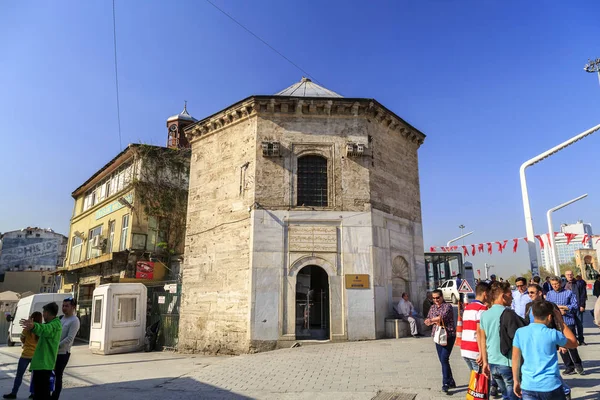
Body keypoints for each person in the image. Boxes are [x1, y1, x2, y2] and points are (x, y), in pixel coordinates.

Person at [512, 300, 577, 400]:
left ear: (532, 314)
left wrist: (516, 380)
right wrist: (561, 321)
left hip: (528, 385)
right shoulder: (552, 333)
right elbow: (573, 343)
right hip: (550, 385)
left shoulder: (520, 332)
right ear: (550, 317)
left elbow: (515, 359)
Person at [524, 284, 571, 399]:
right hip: (533, 341)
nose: (530, 295)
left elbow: (557, 322)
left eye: (532, 292)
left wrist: (561, 343)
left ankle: (564, 390)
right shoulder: (529, 306)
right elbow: (526, 322)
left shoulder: (550, 305)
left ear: (540, 293)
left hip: (548, 339)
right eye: (528, 292)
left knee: (549, 367)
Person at [480, 281, 518, 400]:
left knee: (505, 395)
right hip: (507, 362)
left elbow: (482, 339)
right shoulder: (508, 314)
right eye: (510, 294)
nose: (512, 297)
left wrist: (485, 362)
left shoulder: (484, 315)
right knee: (514, 396)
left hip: (493, 363)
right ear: (503, 296)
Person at [20, 302, 62, 400]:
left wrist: (34, 326)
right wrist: (34, 327)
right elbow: (43, 328)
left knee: (42, 394)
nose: (43, 315)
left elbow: (45, 329)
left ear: (47, 313)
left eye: (44, 312)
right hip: (42, 364)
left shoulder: (54, 325)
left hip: (44, 365)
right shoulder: (51, 324)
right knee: (39, 394)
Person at [546, 277, 584, 375]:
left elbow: (575, 305)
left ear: (561, 283)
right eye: (553, 284)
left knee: (571, 344)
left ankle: (578, 364)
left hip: (568, 321)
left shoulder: (568, 293)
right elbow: (548, 307)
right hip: (556, 323)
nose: (555, 286)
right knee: (561, 346)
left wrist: (565, 308)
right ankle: (569, 366)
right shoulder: (550, 294)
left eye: (556, 284)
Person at [3, 312, 43, 399]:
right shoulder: (40, 329)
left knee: (19, 376)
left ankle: (14, 393)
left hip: (25, 355)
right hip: (35, 356)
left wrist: (26, 343)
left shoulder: (26, 329)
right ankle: (33, 394)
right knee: (35, 377)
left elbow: (22, 338)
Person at [425, 289, 456, 394]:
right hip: (437, 335)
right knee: (443, 360)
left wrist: (431, 320)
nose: (436, 300)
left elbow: (441, 317)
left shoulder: (448, 306)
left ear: (442, 297)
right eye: (433, 298)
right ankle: (451, 380)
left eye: (437, 297)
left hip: (448, 335)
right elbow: (429, 317)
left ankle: (445, 383)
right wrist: (427, 321)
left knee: (444, 358)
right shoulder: (432, 307)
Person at [52, 298, 80, 400]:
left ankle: (55, 396)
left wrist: (57, 345)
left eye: (67, 306)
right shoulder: (60, 318)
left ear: (73, 307)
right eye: (63, 306)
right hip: (53, 351)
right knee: (50, 374)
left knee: (58, 375)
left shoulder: (74, 320)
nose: (64, 308)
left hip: (63, 353)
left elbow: (69, 338)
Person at [461, 281, 490, 371]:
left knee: (474, 380)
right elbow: (479, 332)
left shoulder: (467, 308)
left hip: (465, 349)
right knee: (482, 382)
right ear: (485, 293)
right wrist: (482, 354)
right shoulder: (482, 309)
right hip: (476, 350)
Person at [564, 270, 586, 346]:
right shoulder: (564, 284)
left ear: (573, 275)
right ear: (565, 276)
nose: (570, 276)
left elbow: (583, 295)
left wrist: (582, 305)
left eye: (571, 274)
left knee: (579, 324)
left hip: (577, 307)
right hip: (567, 308)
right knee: (570, 325)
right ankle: (573, 340)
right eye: (568, 275)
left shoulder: (578, 283)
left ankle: (581, 340)